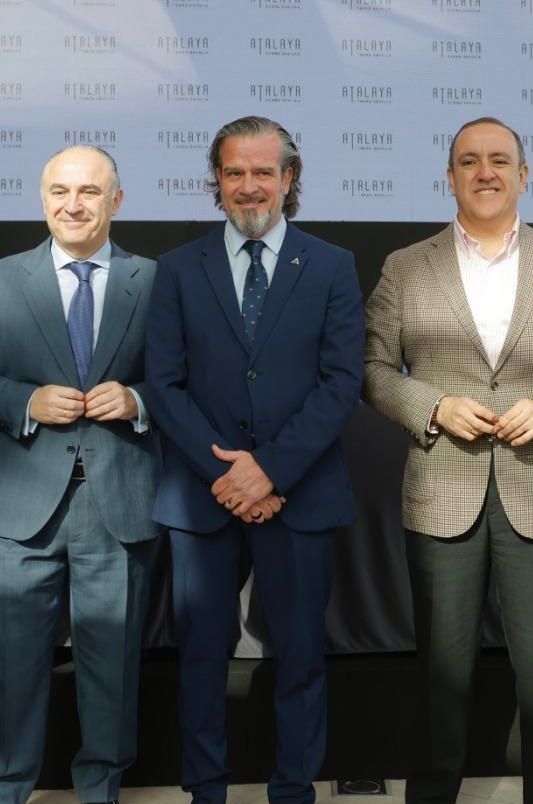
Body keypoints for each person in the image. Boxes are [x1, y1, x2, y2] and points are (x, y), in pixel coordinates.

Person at [362, 116, 533, 804]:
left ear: (523, 174)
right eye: (469, 161)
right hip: (441, 491)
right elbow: (374, 370)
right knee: (442, 675)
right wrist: (432, 406)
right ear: (448, 176)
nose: (485, 172)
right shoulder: (406, 267)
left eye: (500, 160)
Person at [144, 115, 364, 804]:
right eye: (234, 172)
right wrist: (229, 475)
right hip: (202, 499)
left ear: (288, 178)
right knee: (202, 660)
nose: (248, 186)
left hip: (298, 495)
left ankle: (292, 789)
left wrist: (270, 471)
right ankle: (206, 789)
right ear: (217, 180)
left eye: (262, 172)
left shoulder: (332, 265)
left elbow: (341, 383)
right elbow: (164, 384)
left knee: (299, 659)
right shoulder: (179, 270)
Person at [0, 145, 160, 804]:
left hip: (120, 501)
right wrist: (23, 402)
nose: (72, 205)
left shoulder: (156, 281)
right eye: (58, 191)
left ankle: (99, 790)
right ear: (42, 198)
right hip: (20, 502)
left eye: (87, 191)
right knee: (12, 668)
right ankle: (1, 791)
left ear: (116, 200)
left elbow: (182, 382)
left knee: (111, 670)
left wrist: (138, 401)